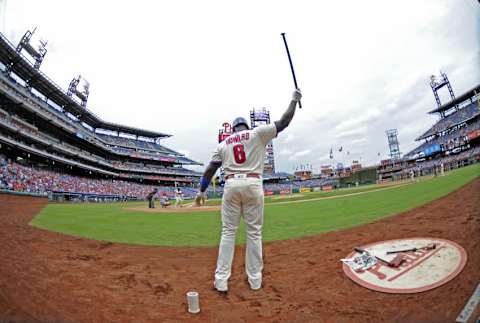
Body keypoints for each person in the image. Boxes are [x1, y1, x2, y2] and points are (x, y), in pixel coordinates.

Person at [195, 89, 302, 294]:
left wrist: (201, 191)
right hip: (253, 184)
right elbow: (284, 122)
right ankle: (255, 281)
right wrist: (294, 101)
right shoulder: (256, 133)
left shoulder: (224, 143)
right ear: (246, 126)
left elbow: (210, 169)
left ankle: (221, 281)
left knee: (228, 233)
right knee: (254, 233)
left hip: (231, 185)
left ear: (233, 128)